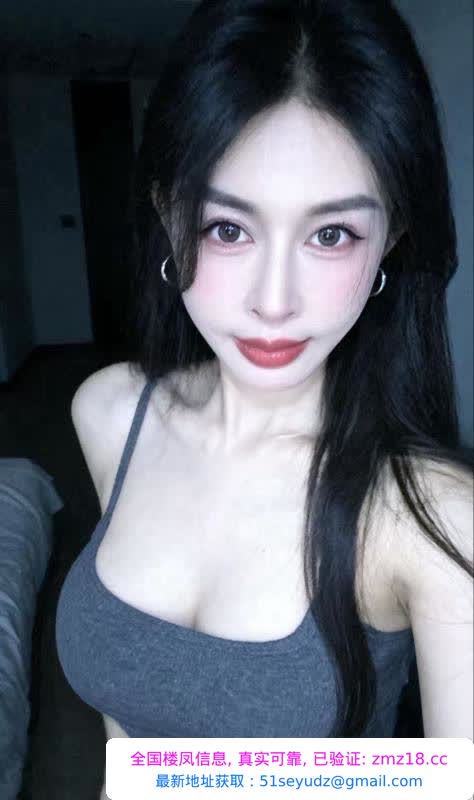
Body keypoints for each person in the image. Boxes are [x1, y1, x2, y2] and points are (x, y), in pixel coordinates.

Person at [56, 0, 473, 789]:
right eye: (228, 228)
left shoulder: (432, 518)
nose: (273, 301)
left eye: (331, 235)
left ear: (390, 238)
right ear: (166, 211)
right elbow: (132, 743)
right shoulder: (108, 414)